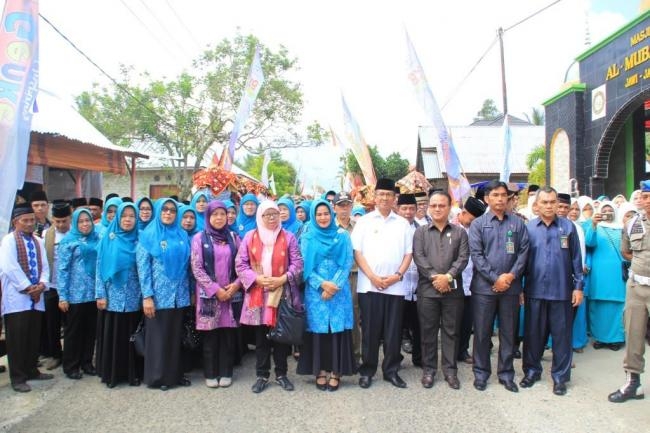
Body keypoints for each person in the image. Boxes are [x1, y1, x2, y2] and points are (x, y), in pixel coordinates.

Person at [235, 200, 304, 394]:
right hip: (258, 294)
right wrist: (257, 279)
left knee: (281, 336)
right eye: (267, 214)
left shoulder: (288, 237)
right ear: (260, 217)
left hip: (281, 293)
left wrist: (282, 279)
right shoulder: (250, 237)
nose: (272, 217)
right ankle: (262, 375)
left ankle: (281, 374)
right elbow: (240, 264)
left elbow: (298, 264)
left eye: (275, 214)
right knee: (261, 338)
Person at [521, 187, 583, 396]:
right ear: (536, 205)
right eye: (544, 202)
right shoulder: (528, 229)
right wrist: (519, 288)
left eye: (552, 202)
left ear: (558, 204)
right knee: (533, 335)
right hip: (534, 291)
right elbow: (521, 262)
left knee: (562, 337)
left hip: (562, 292)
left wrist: (578, 287)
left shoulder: (568, 228)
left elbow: (576, 260)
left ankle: (560, 378)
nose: (549, 206)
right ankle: (531, 371)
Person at [351, 178, 413, 389]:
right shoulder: (364, 222)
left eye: (389, 195)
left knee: (393, 331)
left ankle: (391, 370)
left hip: (395, 287)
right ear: (374, 197)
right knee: (370, 330)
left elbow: (408, 254)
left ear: (395, 198)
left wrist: (397, 275)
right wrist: (373, 277)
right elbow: (357, 253)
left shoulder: (403, 224)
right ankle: (367, 370)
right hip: (369, 286)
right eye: (381, 194)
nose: (385, 198)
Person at [469, 180, 529, 393]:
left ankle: (506, 374)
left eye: (504, 195)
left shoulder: (517, 224)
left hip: (510, 289)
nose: (500, 199)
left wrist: (510, 277)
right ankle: (481, 373)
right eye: (495, 195)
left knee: (508, 333)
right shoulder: (478, 224)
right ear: (487, 198)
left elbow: (523, 253)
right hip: (484, 289)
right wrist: (496, 279)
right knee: (483, 333)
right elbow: (477, 256)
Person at [297, 199, 356, 391]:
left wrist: (333, 286)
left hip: (339, 293)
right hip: (316, 293)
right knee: (318, 332)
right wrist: (322, 284)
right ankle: (320, 370)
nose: (323, 217)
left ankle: (337, 372)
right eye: (319, 214)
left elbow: (347, 262)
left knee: (337, 331)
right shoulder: (307, 238)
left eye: (326, 213)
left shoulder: (343, 236)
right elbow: (305, 265)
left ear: (332, 214)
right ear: (313, 216)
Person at [413, 191, 469, 390]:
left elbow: (463, 258)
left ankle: (450, 371)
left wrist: (448, 277)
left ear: (449, 207)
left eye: (441, 205)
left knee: (451, 331)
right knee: (428, 332)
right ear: (429, 207)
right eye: (434, 205)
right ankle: (429, 370)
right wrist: (435, 278)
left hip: (453, 291)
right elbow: (419, 258)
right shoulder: (420, 232)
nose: (437, 209)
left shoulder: (459, 232)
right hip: (428, 291)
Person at [137, 198, 192, 391]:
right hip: (158, 296)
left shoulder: (182, 234)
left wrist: (190, 292)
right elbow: (143, 269)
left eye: (172, 210)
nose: (168, 213)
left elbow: (188, 266)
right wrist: (147, 296)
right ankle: (157, 377)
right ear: (159, 212)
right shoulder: (148, 235)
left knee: (175, 336)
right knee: (158, 338)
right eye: (165, 210)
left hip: (179, 294)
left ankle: (174, 375)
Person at [0, 203, 53, 392]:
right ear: (16, 222)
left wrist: (42, 284)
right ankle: (18, 377)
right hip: (17, 298)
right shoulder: (8, 241)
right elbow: (9, 267)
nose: (30, 223)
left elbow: (45, 265)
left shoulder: (38, 241)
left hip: (36, 297)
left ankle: (32, 370)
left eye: (32, 220)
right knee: (17, 339)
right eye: (26, 220)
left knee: (33, 336)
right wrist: (28, 287)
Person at [191, 201, 243, 388]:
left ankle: (226, 372)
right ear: (208, 217)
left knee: (228, 337)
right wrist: (215, 289)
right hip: (209, 296)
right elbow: (196, 268)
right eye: (215, 214)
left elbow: (243, 265)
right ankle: (211, 373)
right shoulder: (199, 238)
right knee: (210, 337)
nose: (219, 218)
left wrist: (236, 285)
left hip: (231, 295)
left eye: (223, 214)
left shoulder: (234, 237)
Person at [608, 181, 650, 402]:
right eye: (643, 196)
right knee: (633, 334)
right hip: (636, 287)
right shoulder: (632, 223)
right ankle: (633, 383)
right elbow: (626, 252)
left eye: (648, 196)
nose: (645, 200)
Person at [95, 202, 143, 388]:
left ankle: (132, 374)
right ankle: (113, 375)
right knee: (114, 337)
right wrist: (100, 294)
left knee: (131, 338)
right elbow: (100, 269)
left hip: (133, 298)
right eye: (124, 216)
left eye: (132, 216)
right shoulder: (108, 238)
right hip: (112, 298)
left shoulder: (140, 240)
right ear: (118, 218)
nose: (128, 219)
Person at [57, 208, 100, 380]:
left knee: (90, 330)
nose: (85, 224)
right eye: (81, 221)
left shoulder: (96, 239)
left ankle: (87, 362)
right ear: (75, 223)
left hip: (93, 293)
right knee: (73, 331)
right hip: (75, 295)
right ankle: (71, 366)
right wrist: (63, 296)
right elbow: (62, 270)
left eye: (88, 220)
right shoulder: (68, 241)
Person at [585, 201, 626, 350]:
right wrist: (594, 225)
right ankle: (600, 338)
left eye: (610, 210)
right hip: (599, 275)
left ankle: (617, 338)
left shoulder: (622, 228)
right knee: (598, 307)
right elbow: (589, 243)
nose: (607, 212)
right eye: (604, 210)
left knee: (617, 306)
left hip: (617, 275)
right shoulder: (596, 228)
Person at [451, 197, 486, 364]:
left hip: (472, 282)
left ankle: (463, 351)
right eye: (471, 220)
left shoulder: (476, 229)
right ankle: (451, 352)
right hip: (454, 280)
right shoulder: (451, 227)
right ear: (463, 213)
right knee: (453, 321)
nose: (472, 223)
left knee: (467, 320)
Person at [40, 202, 72, 371]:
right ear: (52, 220)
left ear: (70, 218)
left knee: (70, 324)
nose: (60, 225)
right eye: (57, 221)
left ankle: (71, 355)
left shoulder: (76, 233)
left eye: (64, 221)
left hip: (72, 287)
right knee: (52, 323)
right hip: (52, 286)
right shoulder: (47, 234)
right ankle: (55, 355)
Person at [396, 193, 422, 367]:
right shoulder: (393, 230)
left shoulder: (422, 229)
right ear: (397, 209)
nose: (408, 212)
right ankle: (394, 359)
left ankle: (419, 358)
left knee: (419, 324)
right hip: (398, 285)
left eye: (411, 208)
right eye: (404, 208)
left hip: (419, 286)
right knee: (396, 325)